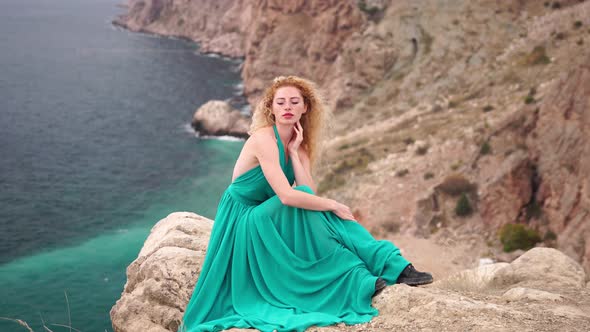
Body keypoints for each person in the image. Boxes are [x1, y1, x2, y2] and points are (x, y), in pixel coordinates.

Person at [178, 76, 432, 332]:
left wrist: (295, 154)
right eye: (281, 102)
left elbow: (307, 189)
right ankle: (387, 267)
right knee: (323, 208)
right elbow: (289, 196)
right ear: (271, 108)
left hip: (269, 212)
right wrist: (333, 204)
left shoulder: (299, 145)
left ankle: (376, 271)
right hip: (244, 218)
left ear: (305, 107)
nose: (287, 107)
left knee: (317, 208)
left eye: (294, 102)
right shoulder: (262, 139)